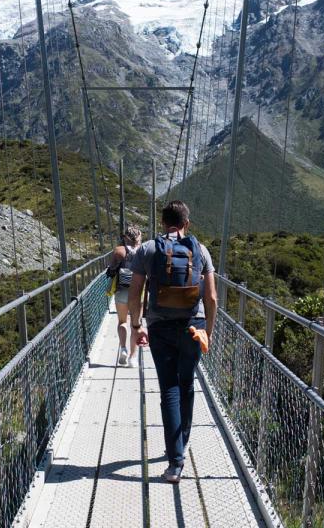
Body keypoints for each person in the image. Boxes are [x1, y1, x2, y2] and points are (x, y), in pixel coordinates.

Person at [128, 200, 217, 483]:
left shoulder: (148, 249)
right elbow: (212, 298)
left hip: (160, 327)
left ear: (162, 223)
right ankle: (183, 440)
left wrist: (135, 325)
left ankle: (175, 461)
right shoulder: (200, 250)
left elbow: (135, 293)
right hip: (194, 325)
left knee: (169, 388)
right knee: (187, 382)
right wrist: (209, 332)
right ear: (186, 224)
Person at [106, 226, 143, 367]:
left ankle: (123, 349)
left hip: (122, 290)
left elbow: (110, 271)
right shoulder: (143, 251)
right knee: (136, 324)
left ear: (125, 237)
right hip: (138, 292)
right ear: (139, 237)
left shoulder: (119, 251)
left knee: (122, 322)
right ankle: (133, 358)